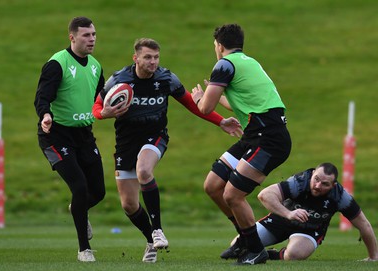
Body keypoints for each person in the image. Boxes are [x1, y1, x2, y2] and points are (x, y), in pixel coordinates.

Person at [92, 38, 242, 263]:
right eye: (147, 57)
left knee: (144, 171)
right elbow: (96, 107)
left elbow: (191, 103)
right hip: (125, 143)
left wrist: (220, 121)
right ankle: (150, 240)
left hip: (155, 137)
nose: (153, 62)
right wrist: (104, 114)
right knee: (129, 205)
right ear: (136, 58)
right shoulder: (119, 79)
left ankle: (158, 230)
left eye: (156, 57)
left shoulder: (166, 78)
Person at [190, 23, 292, 265]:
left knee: (233, 194)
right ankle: (247, 239)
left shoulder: (224, 64)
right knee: (213, 185)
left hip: (268, 138)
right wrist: (210, 96)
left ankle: (255, 249)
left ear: (219, 46)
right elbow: (240, 100)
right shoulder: (249, 62)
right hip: (256, 135)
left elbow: (205, 108)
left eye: (214, 45)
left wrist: (198, 99)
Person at [34, 16, 106, 262]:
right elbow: (42, 96)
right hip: (55, 134)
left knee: (98, 192)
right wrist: (45, 115)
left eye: (94, 34)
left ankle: (78, 209)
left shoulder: (96, 66)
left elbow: (101, 99)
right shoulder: (57, 63)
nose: (92, 39)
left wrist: (113, 108)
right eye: (86, 35)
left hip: (84, 135)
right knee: (80, 187)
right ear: (72, 37)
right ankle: (84, 249)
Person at [222, 162, 378, 262]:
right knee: (237, 245)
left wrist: (373, 257)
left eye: (324, 184)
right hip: (280, 220)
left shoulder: (340, 197)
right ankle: (260, 250)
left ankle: (276, 255)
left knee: (294, 255)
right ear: (313, 174)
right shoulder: (299, 182)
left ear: (333, 185)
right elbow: (264, 195)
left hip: (310, 229)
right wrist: (288, 214)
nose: (317, 185)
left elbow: (364, 225)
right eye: (316, 179)